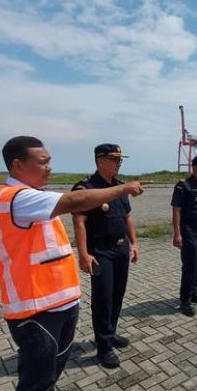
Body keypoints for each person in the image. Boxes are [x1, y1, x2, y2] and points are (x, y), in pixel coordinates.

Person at [0, 136, 145, 391]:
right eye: (42, 161)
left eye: (49, 160)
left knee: (54, 368)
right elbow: (76, 203)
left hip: (59, 302)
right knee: (34, 380)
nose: (49, 167)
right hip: (34, 309)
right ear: (17, 166)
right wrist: (122, 190)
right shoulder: (15, 197)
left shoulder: (29, 199)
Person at [71, 144, 138, 370]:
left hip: (120, 249)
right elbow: (79, 221)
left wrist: (134, 243)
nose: (119, 164)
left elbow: (127, 216)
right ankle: (103, 347)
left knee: (117, 295)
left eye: (120, 160)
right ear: (100, 161)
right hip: (100, 252)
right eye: (114, 159)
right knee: (103, 299)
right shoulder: (86, 188)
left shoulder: (119, 187)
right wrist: (83, 254)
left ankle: (111, 333)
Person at [171, 154, 197, 317]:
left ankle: (194, 292)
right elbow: (176, 209)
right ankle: (185, 300)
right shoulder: (184, 186)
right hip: (188, 231)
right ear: (194, 167)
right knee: (190, 265)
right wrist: (177, 234)